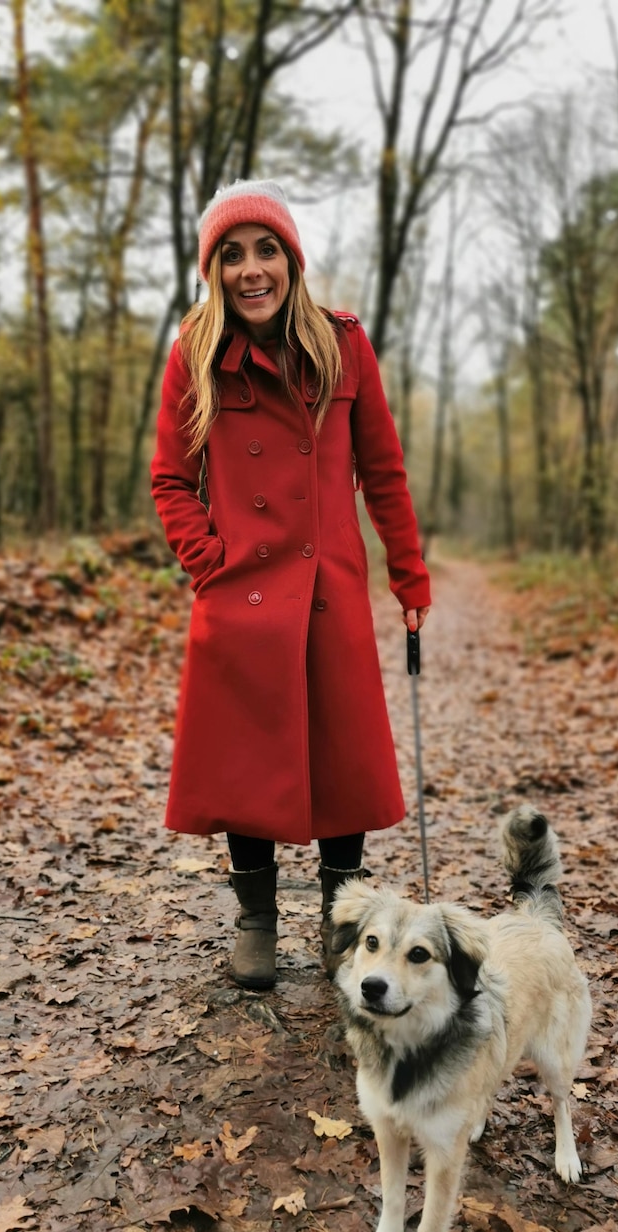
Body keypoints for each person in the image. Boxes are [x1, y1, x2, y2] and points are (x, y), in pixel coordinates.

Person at [150, 179, 430, 991]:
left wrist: (408, 572)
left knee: (341, 757)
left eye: (265, 249)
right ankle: (256, 921)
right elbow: (172, 479)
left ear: (291, 258)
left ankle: (344, 925)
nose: (251, 269)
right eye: (231, 256)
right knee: (247, 762)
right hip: (240, 595)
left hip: (329, 588)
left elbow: (383, 470)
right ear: (214, 271)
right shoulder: (193, 351)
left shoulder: (344, 344)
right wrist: (212, 562)